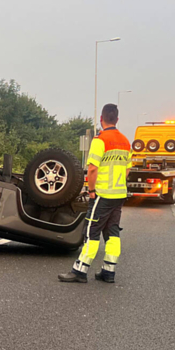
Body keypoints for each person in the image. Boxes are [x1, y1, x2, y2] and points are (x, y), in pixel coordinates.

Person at [58, 103, 131, 283]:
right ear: (117, 119)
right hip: (119, 194)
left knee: (92, 231)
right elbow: (128, 169)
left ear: (101, 119)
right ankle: (109, 271)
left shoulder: (100, 140)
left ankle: (79, 271)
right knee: (113, 232)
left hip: (103, 194)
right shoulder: (124, 141)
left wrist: (91, 190)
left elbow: (92, 170)